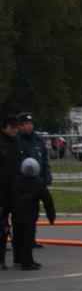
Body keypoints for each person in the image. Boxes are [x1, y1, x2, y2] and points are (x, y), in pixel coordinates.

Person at [9, 158, 55, 270]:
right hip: (29, 216)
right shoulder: (38, 183)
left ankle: (18, 258)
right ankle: (27, 262)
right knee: (28, 239)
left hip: (16, 214)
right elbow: (47, 200)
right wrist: (51, 216)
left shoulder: (15, 181)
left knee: (17, 237)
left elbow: (8, 196)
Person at [16, 112, 49, 248]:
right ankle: (19, 240)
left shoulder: (37, 139)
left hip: (37, 181)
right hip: (21, 182)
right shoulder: (16, 140)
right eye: (26, 124)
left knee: (34, 211)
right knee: (20, 213)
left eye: (30, 124)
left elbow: (44, 160)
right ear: (20, 126)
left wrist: (47, 177)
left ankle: (31, 238)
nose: (29, 126)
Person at [1, 115, 27, 269]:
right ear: (5, 127)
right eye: (12, 127)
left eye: (16, 127)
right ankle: (1, 259)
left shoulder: (20, 144)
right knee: (2, 227)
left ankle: (21, 257)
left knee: (21, 226)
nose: (14, 130)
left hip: (18, 191)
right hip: (2, 192)